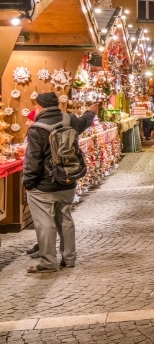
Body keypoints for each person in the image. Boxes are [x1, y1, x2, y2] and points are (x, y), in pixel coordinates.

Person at [23, 93, 97, 273]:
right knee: (65, 218)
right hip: (68, 180)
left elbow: (32, 159)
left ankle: (48, 262)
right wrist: (90, 112)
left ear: (40, 107)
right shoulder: (69, 120)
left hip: (44, 184)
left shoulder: (37, 128)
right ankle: (69, 258)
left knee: (45, 222)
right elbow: (84, 122)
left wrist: (29, 182)